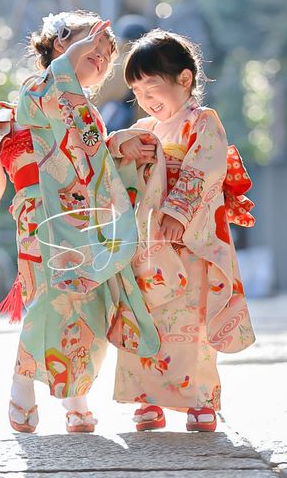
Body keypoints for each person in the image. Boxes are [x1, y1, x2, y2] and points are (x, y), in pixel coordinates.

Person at [0, 10, 160, 434]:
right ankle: (22, 385)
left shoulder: (86, 112)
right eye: (94, 45)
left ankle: (76, 398)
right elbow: (52, 131)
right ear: (60, 43)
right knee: (51, 297)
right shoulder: (34, 92)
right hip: (41, 216)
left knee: (89, 302)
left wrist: (119, 147)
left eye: (107, 54)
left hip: (83, 215)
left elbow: (92, 162)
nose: (102, 56)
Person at [106, 29, 256, 432]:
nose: (145, 99)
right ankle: (147, 400)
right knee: (146, 316)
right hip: (150, 245)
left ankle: (200, 401)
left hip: (189, 240)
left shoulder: (202, 123)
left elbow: (207, 167)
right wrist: (123, 146)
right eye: (137, 90)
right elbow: (112, 159)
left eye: (152, 86)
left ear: (185, 80)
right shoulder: (146, 129)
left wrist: (179, 209)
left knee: (193, 322)